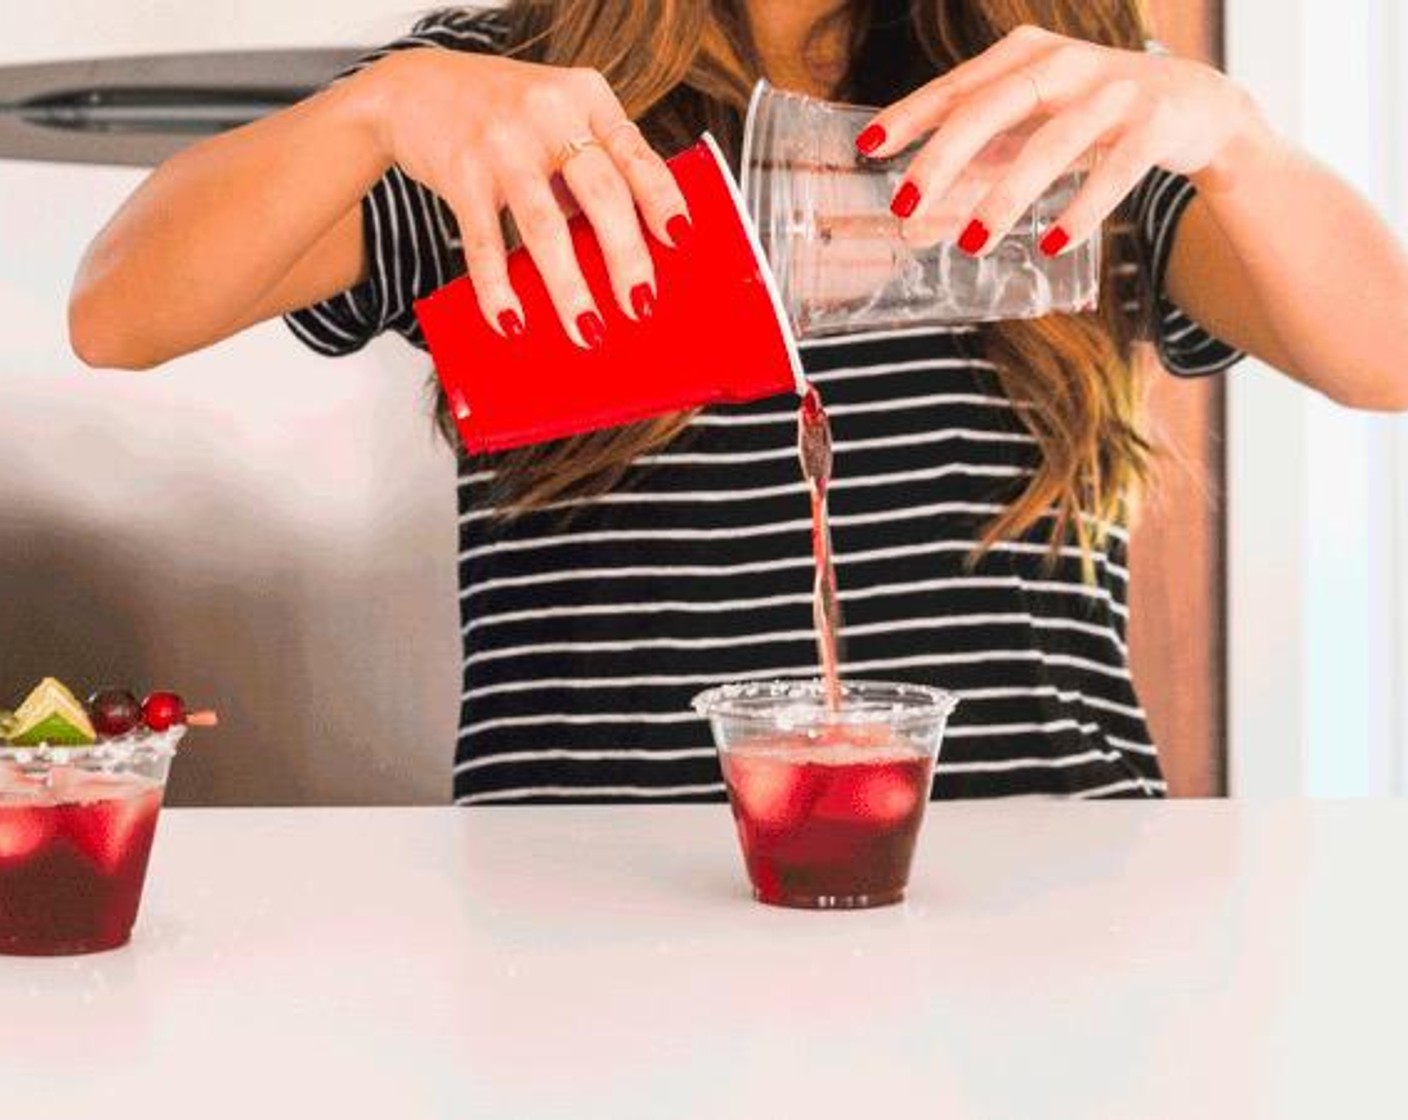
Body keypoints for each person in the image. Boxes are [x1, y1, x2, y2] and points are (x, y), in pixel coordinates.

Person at [69, 3, 1408, 804]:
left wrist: (1231, 134)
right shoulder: (517, 95)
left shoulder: (1060, 93)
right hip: (594, 906)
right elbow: (121, 314)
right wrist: (375, 106)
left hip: (1053, 870)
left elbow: (1386, 354)